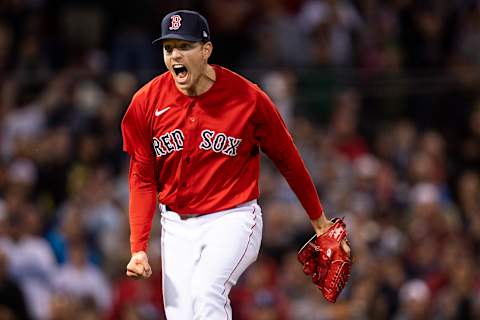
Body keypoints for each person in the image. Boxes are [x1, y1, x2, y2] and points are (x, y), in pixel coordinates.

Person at [121, 9, 350, 320]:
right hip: (175, 225)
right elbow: (143, 179)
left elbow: (289, 162)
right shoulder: (145, 103)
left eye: (185, 46)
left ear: (206, 50)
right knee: (182, 315)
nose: (175, 55)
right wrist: (138, 248)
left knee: (206, 292)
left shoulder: (248, 98)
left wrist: (320, 222)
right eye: (168, 48)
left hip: (232, 219)